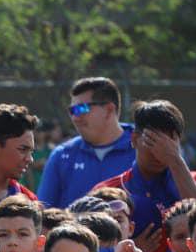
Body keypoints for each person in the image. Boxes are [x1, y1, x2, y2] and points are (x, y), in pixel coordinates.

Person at [93, 100, 196, 252]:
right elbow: (89, 249)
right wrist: (126, 251)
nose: (160, 152)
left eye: (169, 142)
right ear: (134, 139)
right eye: (153, 141)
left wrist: (174, 160)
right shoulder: (108, 191)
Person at [38, 77, 136, 209]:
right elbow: (43, 216)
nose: (75, 118)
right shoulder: (61, 156)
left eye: (81, 109)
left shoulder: (144, 148)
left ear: (109, 110)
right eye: (72, 111)